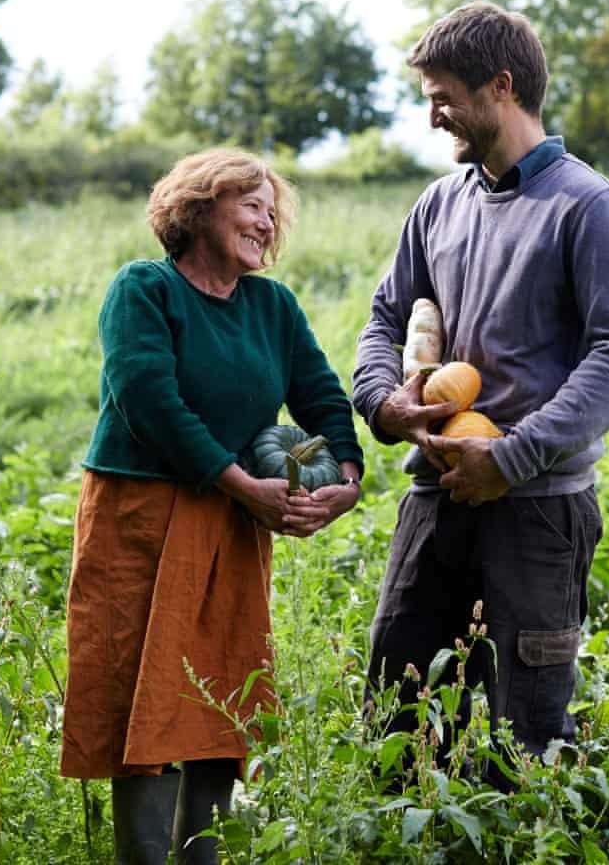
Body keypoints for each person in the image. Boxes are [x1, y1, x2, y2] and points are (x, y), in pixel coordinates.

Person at [351, 2, 609, 787]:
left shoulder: (586, 205)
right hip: (435, 496)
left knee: (527, 739)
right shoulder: (439, 204)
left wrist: (511, 457)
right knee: (400, 713)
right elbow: (386, 317)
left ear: (502, 86)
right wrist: (382, 402)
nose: (431, 118)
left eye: (444, 97)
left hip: (538, 507)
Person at [59, 148, 365, 864]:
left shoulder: (272, 306)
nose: (267, 222)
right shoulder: (144, 290)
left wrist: (345, 477)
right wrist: (240, 482)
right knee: (143, 696)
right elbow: (150, 402)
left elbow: (319, 393)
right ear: (200, 207)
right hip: (140, 519)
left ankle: (204, 857)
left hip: (232, 526)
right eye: (252, 205)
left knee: (218, 696)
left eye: (272, 211)